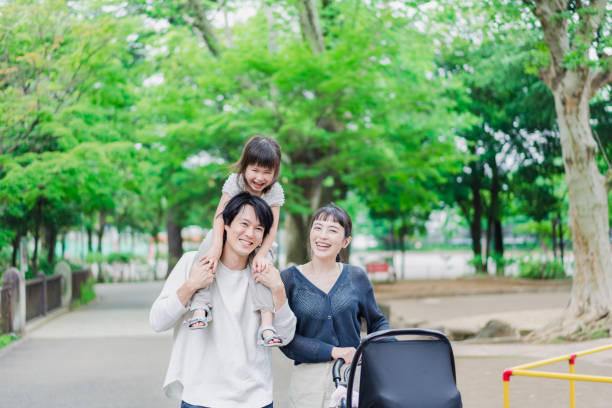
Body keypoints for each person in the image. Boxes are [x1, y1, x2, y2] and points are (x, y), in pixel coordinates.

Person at [150, 192, 296, 408]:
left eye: (259, 229)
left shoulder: (265, 273)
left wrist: (278, 289)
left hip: (256, 399)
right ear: (226, 224)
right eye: (244, 224)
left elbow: (285, 336)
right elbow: (158, 321)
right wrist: (191, 285)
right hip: (201, 398)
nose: (250, 233)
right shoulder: (194, 263)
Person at [280, 204, 390, 408]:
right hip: (307, 386)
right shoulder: (288, 280)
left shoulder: (356, 277)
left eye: (332, 230)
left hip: (353, 378)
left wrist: (381, 349)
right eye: (318, 227)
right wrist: (333, 351)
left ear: (345, 241)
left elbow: (378, 322)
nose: (323, 236)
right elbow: (285, 340)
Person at [187, 136, 285, 347]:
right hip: (228, 234)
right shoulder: (236, 182)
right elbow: (221, 216)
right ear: (244, 166)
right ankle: (200, 305)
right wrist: (215, 247)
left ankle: (266, 323)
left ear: (275, 173)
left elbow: (272, 229)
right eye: (255, 170)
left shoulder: (274, 191)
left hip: (260, 241)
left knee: (263, 270)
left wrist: (260, 255)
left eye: (267, 172)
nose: (260, 178)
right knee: (204, 253)